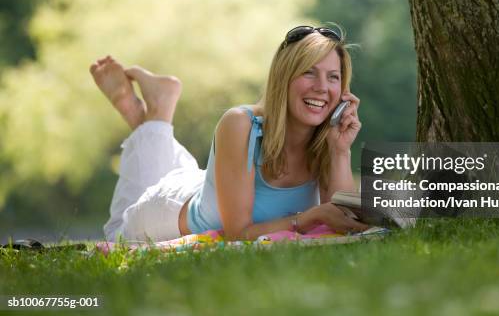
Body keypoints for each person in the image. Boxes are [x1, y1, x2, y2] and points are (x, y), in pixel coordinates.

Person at [91, 25, 369, 242]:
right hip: (168, 211)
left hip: (209, 186)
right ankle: (148, 112)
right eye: (309, 73)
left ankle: (150, 113)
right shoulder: (240, 124)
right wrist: (311, 216)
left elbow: (344, 221)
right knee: (117, 231)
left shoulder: (327, 141)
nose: (322, 87)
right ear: (283, 78)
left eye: (333, 77)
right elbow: (237, 233)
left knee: (171, 168)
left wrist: (340, 149)